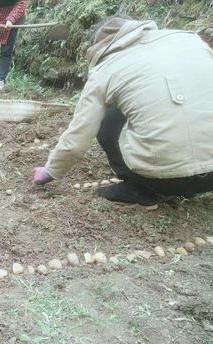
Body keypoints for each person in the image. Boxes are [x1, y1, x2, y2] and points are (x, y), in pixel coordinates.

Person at [33, 17, 213, 206]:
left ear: (100, 45)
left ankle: (137, 187)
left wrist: (49, 171)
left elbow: (79, 135)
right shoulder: (190, 40)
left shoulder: (106, 68)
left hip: (163, 181)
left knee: (106, 118)